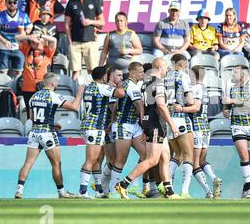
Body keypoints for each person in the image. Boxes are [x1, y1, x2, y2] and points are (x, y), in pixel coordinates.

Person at [115, 58, 182, 199]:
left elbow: (143, 107)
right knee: (152, 160)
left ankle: (169, 192)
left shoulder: (145, 84)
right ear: (158, 67)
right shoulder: (158, 83)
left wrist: (145, 127)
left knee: (165, 157)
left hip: (151, 123)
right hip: (157, 124)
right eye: (165, 67)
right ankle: (123, 184)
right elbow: (160, 105)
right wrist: (172, 124)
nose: (167, 70)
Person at [15, 73, 84, 199]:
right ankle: (61, 192)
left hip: (34, 132)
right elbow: (74, 106)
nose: (57, 84)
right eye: (56, 82)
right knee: (56, 164)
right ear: (52, 83)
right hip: (47, 133)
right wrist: (79, 94)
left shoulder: (33, 97)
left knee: (28, 163)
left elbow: (31, 117)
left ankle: (19, 190)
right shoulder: (53, 96)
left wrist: (53, 123)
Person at [173, 65, 222, 198]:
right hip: (206, 127)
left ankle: (211, 186)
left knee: (194, 163)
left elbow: (195, 107)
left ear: (193, 75)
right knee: (201, 160)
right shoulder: (206, 89)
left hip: (195, 128)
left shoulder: (195, 89)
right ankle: (212, 184)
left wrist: (181, 108)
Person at [78, 66, 125, 198]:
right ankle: (82, 191)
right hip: (95, 127)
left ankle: (99, 190)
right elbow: (121, 93)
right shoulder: (102, 87)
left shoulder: (88, 87)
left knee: (98, 159)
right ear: (104, 76)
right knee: (91, 160)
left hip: (87, 125)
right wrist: (119, 83)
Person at [108, 62, 147, 197]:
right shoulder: (131, 85)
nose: (143, 74)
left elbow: (113, 107)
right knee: (121, 159)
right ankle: (113, 191)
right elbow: (139, 106)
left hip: (132, 124)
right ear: (132, 73)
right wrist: (145, 126)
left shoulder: (123, 85)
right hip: (124, 125)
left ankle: (133, 186)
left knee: (146, 155)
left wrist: (112, 120)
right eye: (141, 72)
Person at [223, 65, 250, 198]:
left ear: (243, 74)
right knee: (244, 156)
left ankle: (246, 185)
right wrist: (226, 110)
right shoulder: (231, 87)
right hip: (237, 124)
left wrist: (232, 101)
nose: (233, 75)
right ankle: (249, 187)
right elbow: (226, 106)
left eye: (235, 73)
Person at [164, 54, 196, 198]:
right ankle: (184, 191)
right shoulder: (183, 76)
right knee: (189, 155)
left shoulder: (165, 77)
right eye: (186, 63)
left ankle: (165, 184)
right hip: (181, 118)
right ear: (182, 64)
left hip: (168, 119)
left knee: (178, 154)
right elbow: (189, 100)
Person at [64, 0, 105, 81]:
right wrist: (69, 41)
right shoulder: (71, 2)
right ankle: (74, 93)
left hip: (90, 42)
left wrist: (90, 22)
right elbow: (66, 24)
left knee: (92, 71)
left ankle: (92, 92)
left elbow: (102, 22)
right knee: (75, 71)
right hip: (75, 42)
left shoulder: (93, 1)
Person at [15, 31, 57, 119]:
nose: (36, 41)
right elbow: (16, 37)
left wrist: (40, 36)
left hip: (43, 86)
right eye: (34, 40)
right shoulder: (27, 49)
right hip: (28, 87)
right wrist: (29, 37)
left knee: (43, 113)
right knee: (30, 115)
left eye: (39, 39)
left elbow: (54, 40)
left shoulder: (47, 51)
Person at [0, 0, 32, 78]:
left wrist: (26, 33)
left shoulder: (23, 15)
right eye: (10, 2)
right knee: (3, 73)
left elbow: (29, 26)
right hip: (4, 48)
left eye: (14, 2)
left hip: (19, 48)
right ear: (6, 3)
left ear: (17, 3)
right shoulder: (0, 15)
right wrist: (4, 41)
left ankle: (15, 90)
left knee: (18, 73)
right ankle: (3, 90)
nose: (12, 4)